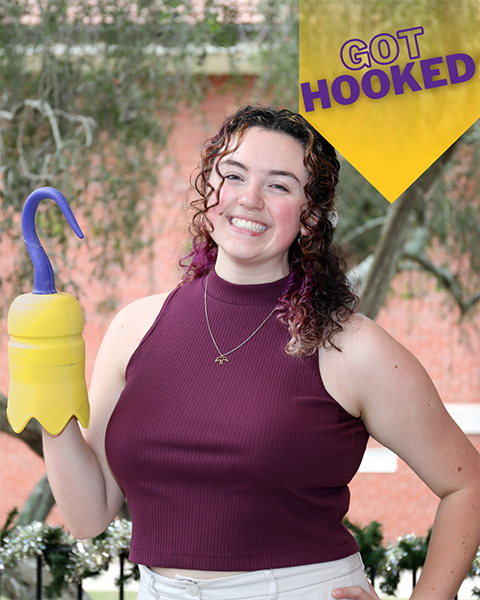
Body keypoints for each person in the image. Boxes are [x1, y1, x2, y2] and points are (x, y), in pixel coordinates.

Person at [42, 105, 480, 600]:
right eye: (233, 175)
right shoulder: (134, 328)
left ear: (311, 214)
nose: (248, 199)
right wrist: (45, 390)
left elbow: (467, 486)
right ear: (209, 189)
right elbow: (87, 513)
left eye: (279, 185)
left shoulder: (350, 347)